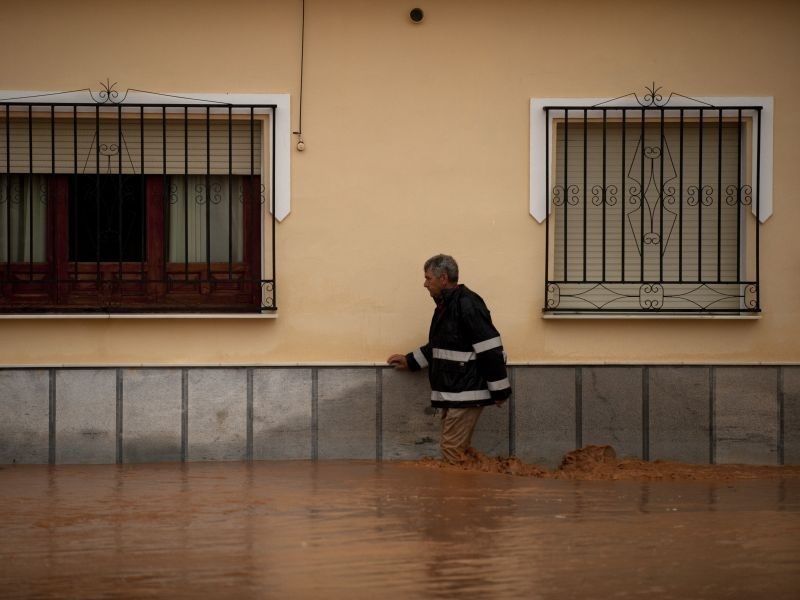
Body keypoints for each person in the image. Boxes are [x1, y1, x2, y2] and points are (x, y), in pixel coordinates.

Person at [387, 254, 511, 463]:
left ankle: (457, 495)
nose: (424, 284)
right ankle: (474, 490)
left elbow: (490, 348)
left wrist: (500, 391)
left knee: (451, 452)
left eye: (428, 278)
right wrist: (411, 360)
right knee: (457, 452)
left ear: (443, 278)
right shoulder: (446, 305)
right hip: (455, 392)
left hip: (465, 393)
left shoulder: (467, 304)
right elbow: (441, 345)